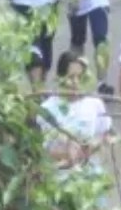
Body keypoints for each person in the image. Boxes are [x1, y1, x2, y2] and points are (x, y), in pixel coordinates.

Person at [40, 52, 113, 180]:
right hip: (59, 178)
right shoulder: (47, 109)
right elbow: (43, 150)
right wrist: (66, 153)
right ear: (60, 77)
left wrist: (90, 147)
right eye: (71, 77)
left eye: (80, 77)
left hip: (91, 176)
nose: (75, 82)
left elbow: (105, 135)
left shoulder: (94, 104)